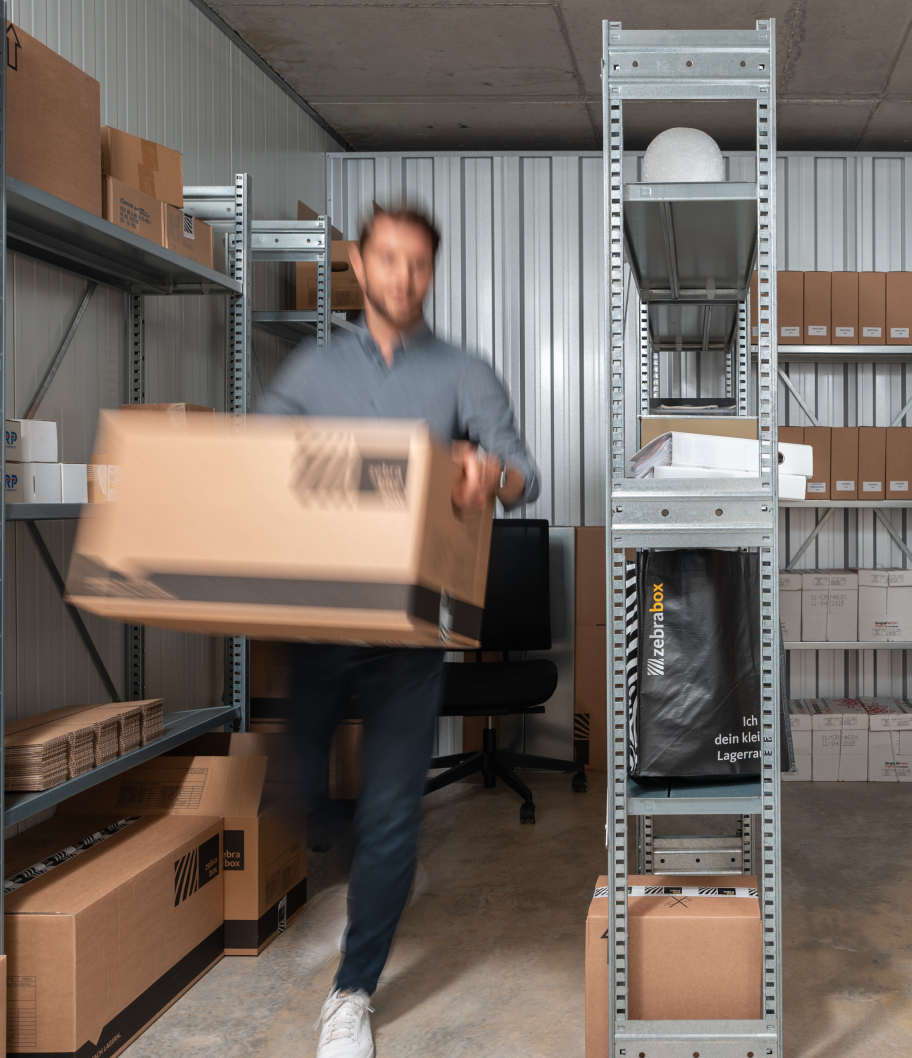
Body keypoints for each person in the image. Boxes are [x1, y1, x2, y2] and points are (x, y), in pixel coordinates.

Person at [257, 201, 540, 1058]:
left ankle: (352, 992)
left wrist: (489, 476)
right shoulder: (313, 368)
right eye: (387, 261)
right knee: (299, 780)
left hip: (411, 630)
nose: (402, 278)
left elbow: (522, 474)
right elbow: (256, 458)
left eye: (418, 264)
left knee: (389, 812)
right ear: (360, 260)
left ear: (431, 272)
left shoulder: (462, 372)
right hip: (319, 618)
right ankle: (371, 870)